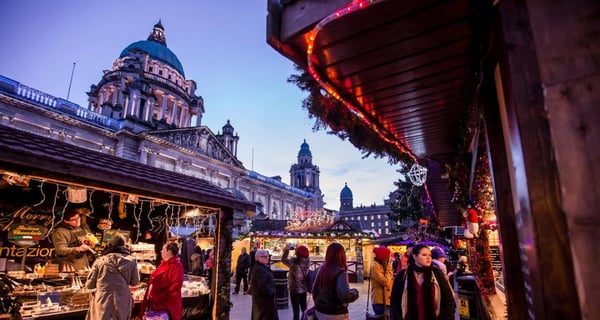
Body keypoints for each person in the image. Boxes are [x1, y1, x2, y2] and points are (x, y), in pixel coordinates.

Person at [390, 244, 456, 320]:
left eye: (430, 255)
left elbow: (449, 301)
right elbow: (394, 303)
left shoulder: (437, 274)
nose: (428, 258)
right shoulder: (402, 276)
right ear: (415, 256)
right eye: (424, 255)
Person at [85, 234, 140, 320]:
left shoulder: (100, 261)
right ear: (124, 246)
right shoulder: (132, 261)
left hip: (102, 301)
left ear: (110, 245)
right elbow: (135, 282)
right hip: (123, 300)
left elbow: (89, 285)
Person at [312, 243, 359, 320]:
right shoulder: (341, 272)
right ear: (342, 255)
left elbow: (314, 290)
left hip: (319, 312)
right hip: (336, 314)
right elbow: (345, 296)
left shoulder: (319, 270)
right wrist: (355, 292)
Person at [143, 242, 185, 320]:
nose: (161, 251)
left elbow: (176, 284)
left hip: (167, 304)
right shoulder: (164, 263)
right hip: (158, 303)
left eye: (163, 249)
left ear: (169, 252)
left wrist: (161, 297)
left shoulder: (177, 265)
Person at [281, 244, 310, 320]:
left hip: (294, 290)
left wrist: (287, 249)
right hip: (303, 289)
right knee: (304, 309)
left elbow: (283, 259)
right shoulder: (307, 261)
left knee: (296, 311)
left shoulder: (293, 262)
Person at [250, 249, 279, 320]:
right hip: (264, 302)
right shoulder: (259, 269)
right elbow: (262, 284)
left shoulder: (261, 267)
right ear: (258, 257)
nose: (267, 258)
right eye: (265, 257)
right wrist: (271, 292)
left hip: (264, 302)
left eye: (268, 256)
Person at [371, 246, 393, 317]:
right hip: (380, 301)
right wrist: (389, 268)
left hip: (387, 301)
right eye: (388, 256)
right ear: (384, 257)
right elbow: (385, 281)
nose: (390, 258)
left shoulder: (383, 266)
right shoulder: (375, 267)